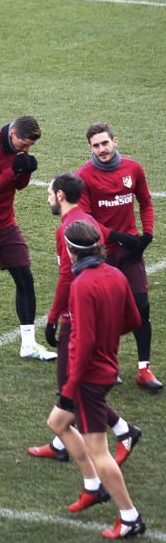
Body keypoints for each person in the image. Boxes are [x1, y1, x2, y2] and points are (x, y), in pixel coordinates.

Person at [28, 174, 141, 466]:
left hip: (75, 316)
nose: (48, 198)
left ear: (61, 196)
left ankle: (122, 430)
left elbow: (67, 277)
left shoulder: (67, 229)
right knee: (76, 385)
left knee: (71, 384)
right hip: (96, 311)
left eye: (50, 193)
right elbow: (106, 233)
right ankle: (61, 442)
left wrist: (52, 318)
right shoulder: (87, 220)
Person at [46, 220, 145, 539]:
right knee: (58, 422)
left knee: (100, 452)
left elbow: (84, 343)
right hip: (106, 367)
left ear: (72, 252)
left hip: (88, 378)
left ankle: (129, 516)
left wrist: (71, 387)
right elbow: (133, 319)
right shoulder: (115, 275)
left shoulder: (82, 284)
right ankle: (91, 486)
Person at [76, 123, 160, 391]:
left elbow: (145, 202)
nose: (101, 149)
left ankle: (144, 369)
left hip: (130, 253)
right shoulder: (84, 176)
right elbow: (86, 218)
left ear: (115, 141)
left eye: (105, 143)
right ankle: (105, 367)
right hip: (100, 254)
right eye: (96, 145)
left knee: (142, 306)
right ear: (90, 147)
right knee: (103, 313)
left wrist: (147, 234)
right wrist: (114, 236)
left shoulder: (133, 169)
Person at [0, 115, 56, 361]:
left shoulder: (18, 148)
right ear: (12, 135)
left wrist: (25, 172)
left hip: (6, 225)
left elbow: (18, 186)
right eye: (24, 145)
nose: (26, 150)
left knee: (25, 278)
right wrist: (12, 172)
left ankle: (28, 345)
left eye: (30, 147)